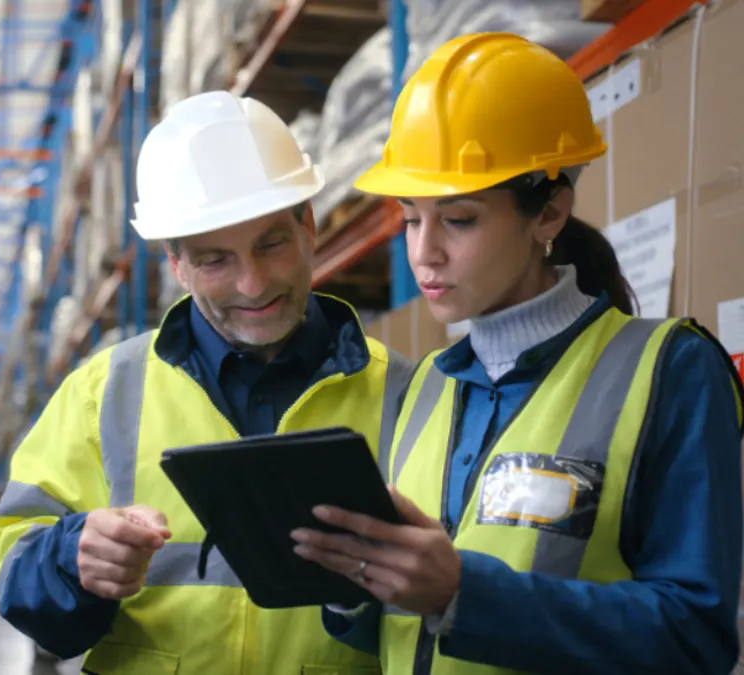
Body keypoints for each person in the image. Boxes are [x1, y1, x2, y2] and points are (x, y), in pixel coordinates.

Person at [291, 32, 744, 674]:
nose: (424, 254)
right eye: (412, 218)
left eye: (460, 219)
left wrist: (464, 594)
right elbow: (400, 639)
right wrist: (355, 593)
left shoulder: (669, 371)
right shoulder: (424, 390)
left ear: (549, 213)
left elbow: (696, 639)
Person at [0, 90, 413, 673]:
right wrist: (70, 559)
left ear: (308, 224)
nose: (253, 284)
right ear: (176, 264)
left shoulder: (407, 394)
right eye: (215, 261)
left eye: (272, 244)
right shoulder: (103, 393)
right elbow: (13, 557)